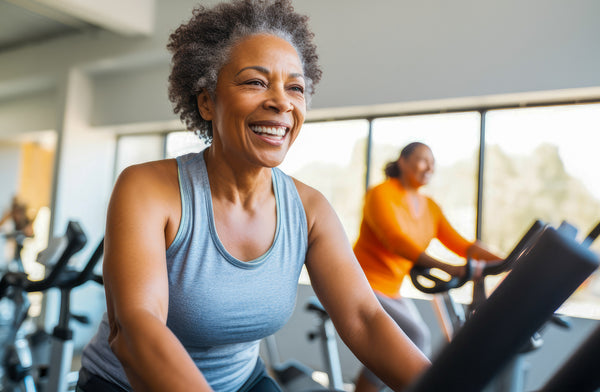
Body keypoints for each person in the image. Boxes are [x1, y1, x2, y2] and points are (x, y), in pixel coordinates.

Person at [77, 1, 430, 391]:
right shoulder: (147, 189)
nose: (282, 101)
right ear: (207, 101)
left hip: (242, 381)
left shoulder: (309, 210)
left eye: (295, 87)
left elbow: (365, 318)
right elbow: (135, 327)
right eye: (255, 82)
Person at [352, 141, 502, 392]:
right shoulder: (381, 194)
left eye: (433, 163)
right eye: (423, 160)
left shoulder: (430, 207)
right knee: (415, 336)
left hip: (391, 290)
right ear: (403, 161)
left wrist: (507, 260)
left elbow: (463, 245)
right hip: (362, 282)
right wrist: (447, 267)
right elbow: (397, 241)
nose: (429, 167)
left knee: (403, 344)